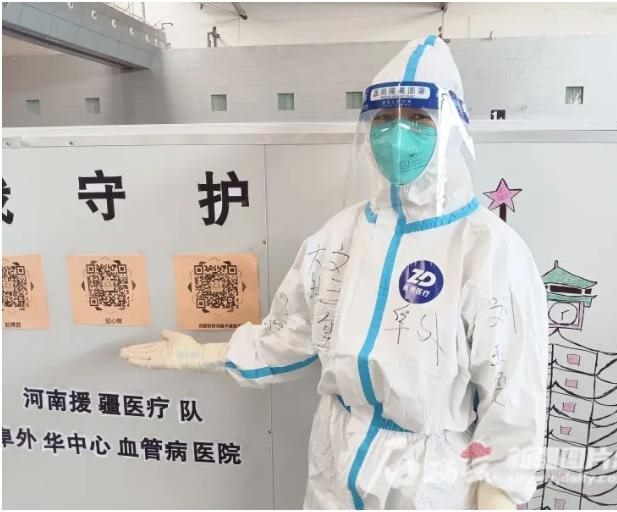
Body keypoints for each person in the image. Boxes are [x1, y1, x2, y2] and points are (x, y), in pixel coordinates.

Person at [121, 35, 548, 510]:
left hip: (429, 479)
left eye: (418, 119)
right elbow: (293, 335)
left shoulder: (489, 249)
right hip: (338, 458)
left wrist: (497, 494)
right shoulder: (340, 236)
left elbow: (513, 393)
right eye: (384, 120)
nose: (397, 135)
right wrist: (204, 355)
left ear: (449, 130)